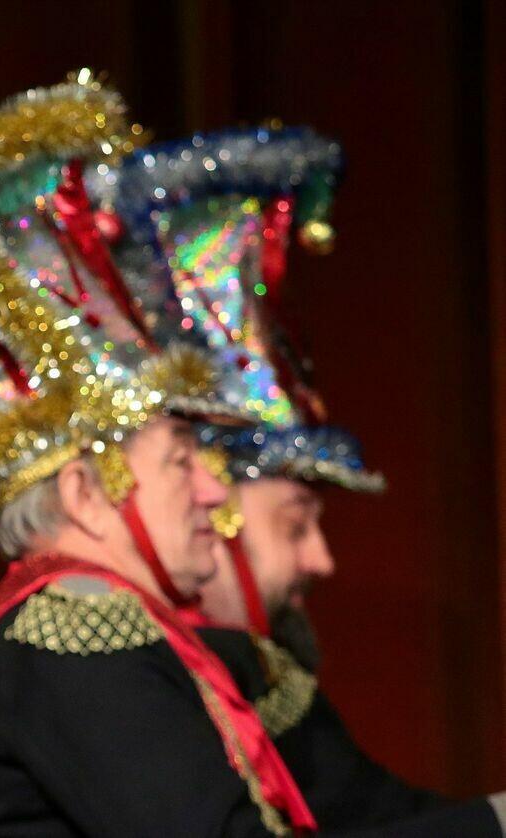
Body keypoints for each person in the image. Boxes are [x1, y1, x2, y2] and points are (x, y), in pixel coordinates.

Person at [0, 74, 320, 835]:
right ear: (83, 494)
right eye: (180, 462)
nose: (215, 495)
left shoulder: (127, 632)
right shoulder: (75, 631)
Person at [115, 124, 506, 834]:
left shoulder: (260, 680)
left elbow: (391, 815)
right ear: (211, 504)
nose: (322, 560)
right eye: (295, 523)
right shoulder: (131, 670)